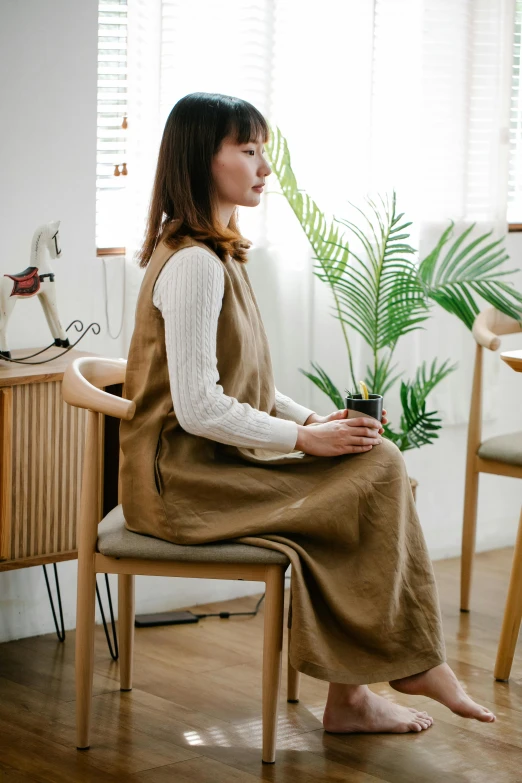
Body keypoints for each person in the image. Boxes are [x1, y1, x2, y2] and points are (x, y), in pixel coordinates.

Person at [120, 92, 496, 734]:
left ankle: (359, 694)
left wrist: (313, 423)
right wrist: (300, 438)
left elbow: (249, 385)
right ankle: (385, 679)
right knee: (373, 474)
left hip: (211, 469)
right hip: (181, 486)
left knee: (372, 466)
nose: (264, 166)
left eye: (263, 149)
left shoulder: (217, 256)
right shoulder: (192, 266)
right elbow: (199, 405)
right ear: (200, 160)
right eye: (247, 149)